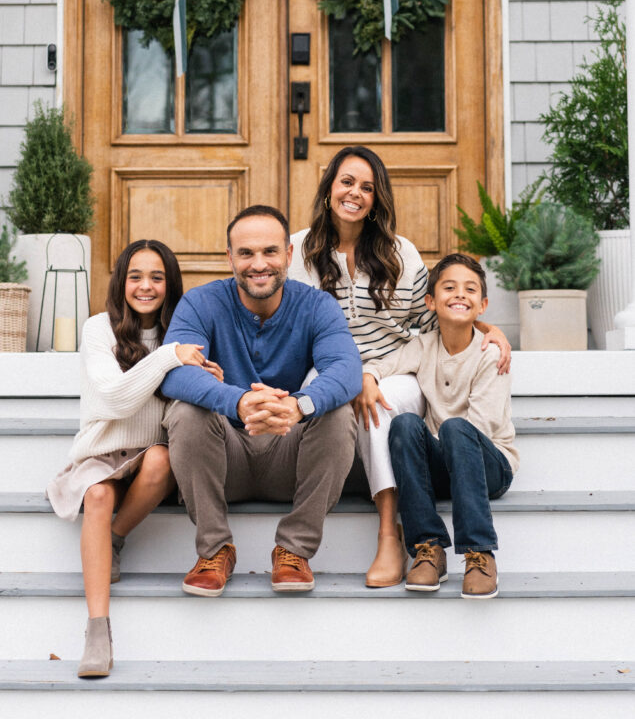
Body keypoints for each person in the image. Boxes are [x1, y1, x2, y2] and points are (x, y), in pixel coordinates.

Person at [288, 146, 511, 588]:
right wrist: (348, 376)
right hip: (331, 368)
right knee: (320, 401)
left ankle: (390, 533)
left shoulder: (399, 253)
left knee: (384, 409)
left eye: (367, 187)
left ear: (378, 198)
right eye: (347, 182)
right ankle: (296, 544)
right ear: (329, 187)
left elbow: (433, 316)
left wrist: (486, 327)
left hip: (393, 369)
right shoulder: (298, 249)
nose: (355, 193)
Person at [161, 204, 362, 597]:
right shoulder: (201, 303)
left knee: (337, 413)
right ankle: (215, 550)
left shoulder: (317, 305)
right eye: (246, 253)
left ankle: (293, 550)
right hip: (223, 457)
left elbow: (346, 369)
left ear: (288, 255)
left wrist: (298, 406)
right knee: (186, 412)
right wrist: (236, 402)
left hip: (290, 454)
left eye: (270, 252)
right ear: (229, 258)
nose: (259, 264)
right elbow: (174, 371)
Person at [47, 239, 222, 678]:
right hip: (101, 453)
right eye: (136, 276)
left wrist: (206, 378)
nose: (146, 286)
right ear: (122, 281)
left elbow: (173, 411)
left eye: (158, 278)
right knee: (99, 497)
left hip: (149, 460)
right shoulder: (98, 329)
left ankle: (115, 540)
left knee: (163, 457)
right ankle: (97, 631)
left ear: (171, 284)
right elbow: (114, 399)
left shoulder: (183, 334)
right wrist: (168, 358)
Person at [385, 253, 518, 598]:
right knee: (403, 424)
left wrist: (448, 436)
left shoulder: (491, 354)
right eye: (449, 288)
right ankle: (428, 548)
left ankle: (479, 553)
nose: (460, 295)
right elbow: (383, 364)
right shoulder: (423, 345)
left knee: (457, 428)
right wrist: (368, 377)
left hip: (489, 465)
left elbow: (482, 427)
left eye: (470, 289)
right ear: (430, 301)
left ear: (483, 304)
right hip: (447, 463)